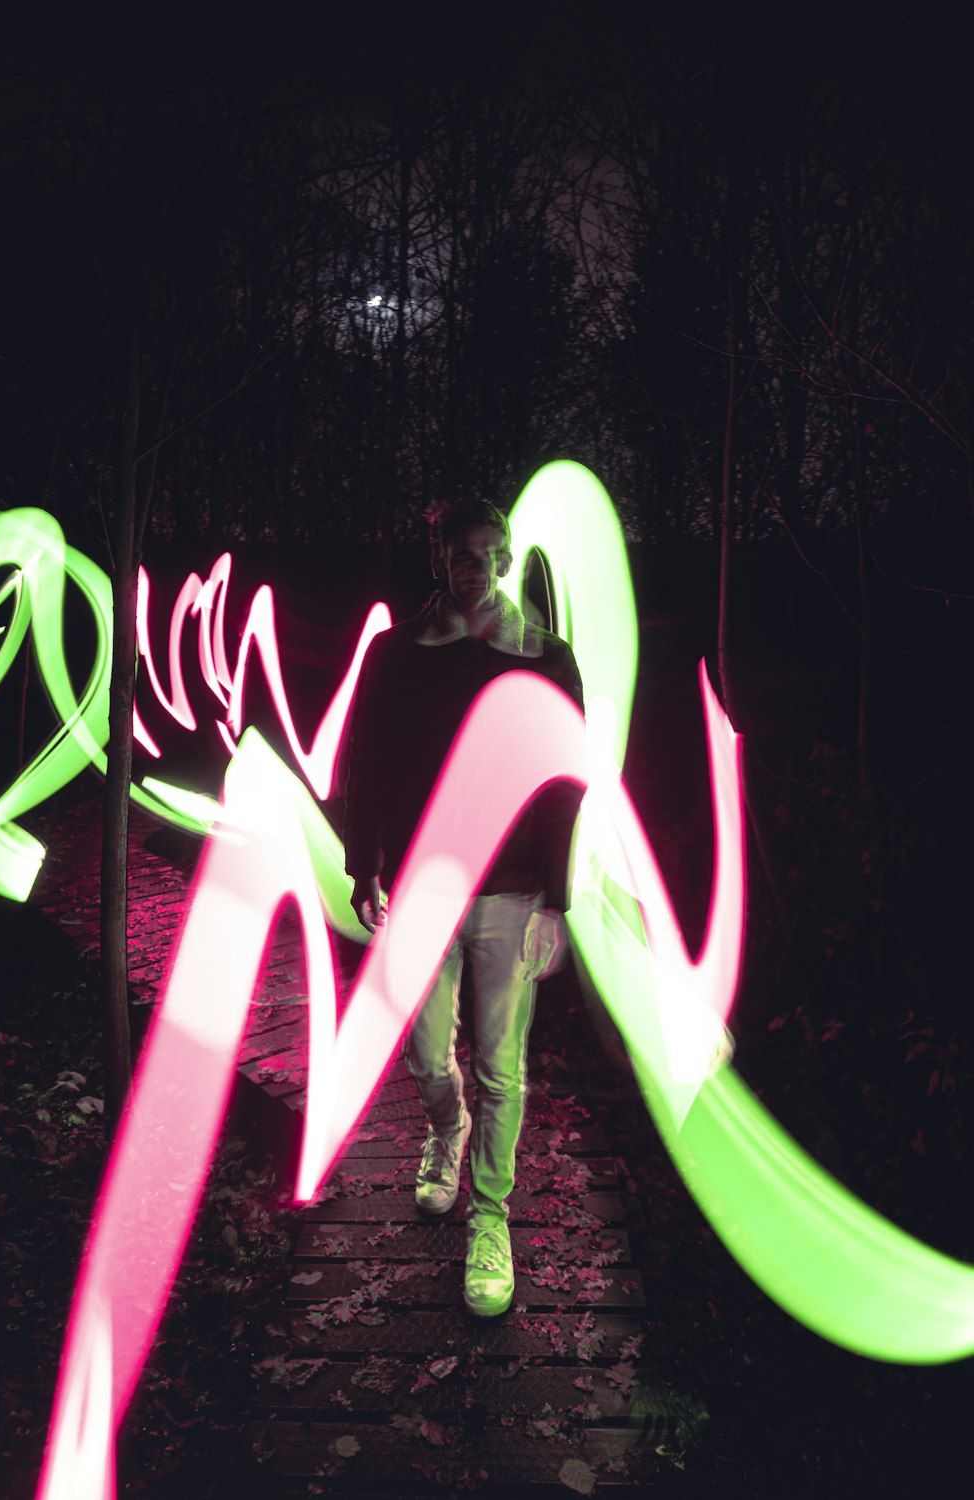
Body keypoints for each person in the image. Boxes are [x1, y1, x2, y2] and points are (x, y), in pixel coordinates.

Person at [343, 499, 584, 1317]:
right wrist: (361, 861)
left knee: (502, 1069)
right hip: (420, 884)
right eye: (459, 552)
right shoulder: (396, 655)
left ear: (508, 558)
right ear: (439, 559)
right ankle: (445, 1133)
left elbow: (564, 784)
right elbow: (364, 760)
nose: (473, 565)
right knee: (421, 1054)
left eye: (488, 552)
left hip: (513, 888)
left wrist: (556, 897)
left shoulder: (547, 660)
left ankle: (491, 1217)